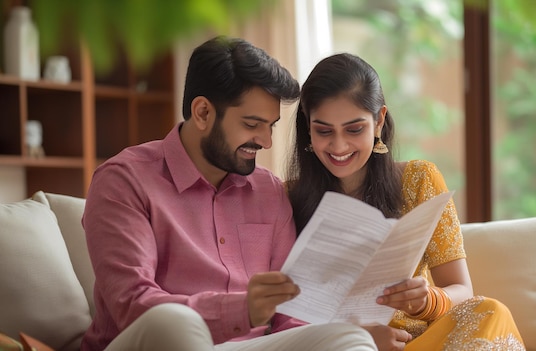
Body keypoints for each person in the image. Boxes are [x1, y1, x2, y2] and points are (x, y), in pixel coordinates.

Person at [80, 36, 378, 351]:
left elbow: (292, 312)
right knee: (173, 321)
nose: (266, 142)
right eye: (252, 124)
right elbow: (133, 306)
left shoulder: (269, 191)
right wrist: (243, 310)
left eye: (271, 127)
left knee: (346, 338)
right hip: (155, 341)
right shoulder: (124, 180)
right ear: (203, 113)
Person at [286, 52, 527, 350]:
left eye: (354, 129)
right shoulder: (286, 198)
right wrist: (355, 338)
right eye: (324, 131)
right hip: (338, 345)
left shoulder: (418, 180)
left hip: (419, 342)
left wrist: (427, 300)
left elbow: (463, 290)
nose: (338, 146)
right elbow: (284, 317)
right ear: (307, 128)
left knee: (490, 311)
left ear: (379, 121)